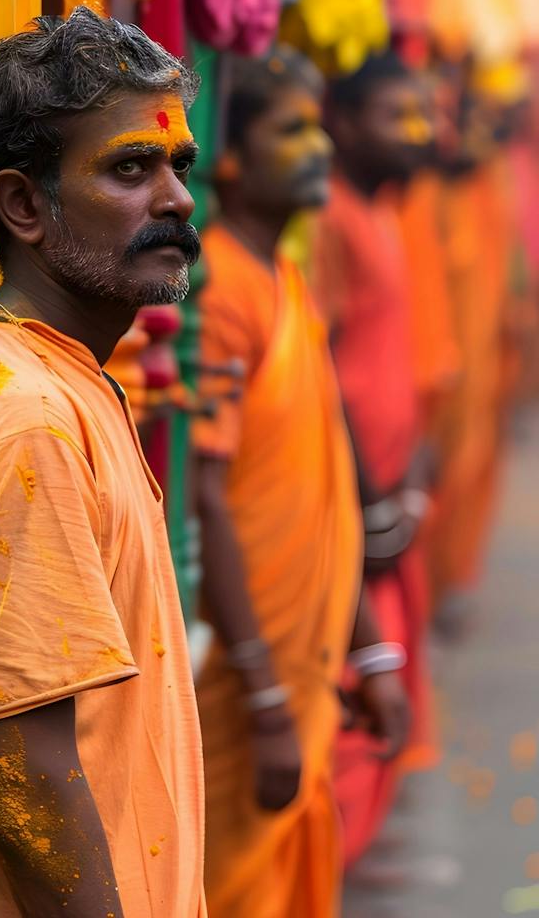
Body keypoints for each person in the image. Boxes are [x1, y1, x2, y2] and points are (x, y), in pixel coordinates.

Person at [0, 6, 208, 918]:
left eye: (179, 166)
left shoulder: (68, 386)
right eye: (131, 167)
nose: (177, 199)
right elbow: (22, 772)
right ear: (23, 205)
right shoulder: (25, 418)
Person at [191, 45, 409, 917]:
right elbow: (207, 496)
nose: (318, 147)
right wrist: (269, 700)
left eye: (320, 128)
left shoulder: (283, 276)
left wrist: (369, 647)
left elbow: (323, 500)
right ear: (233, 156)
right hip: (244, 689)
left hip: (300, 665)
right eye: (293, 130)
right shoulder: (217, 293)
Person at [313, 51, 436, 866]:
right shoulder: (331, 217)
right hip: (357, 499)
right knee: (358, 686)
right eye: (399, 115)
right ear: (345, 124)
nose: (419, 133)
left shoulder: (382, 206)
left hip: (391, 488)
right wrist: (370, 497)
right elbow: (321, 368)